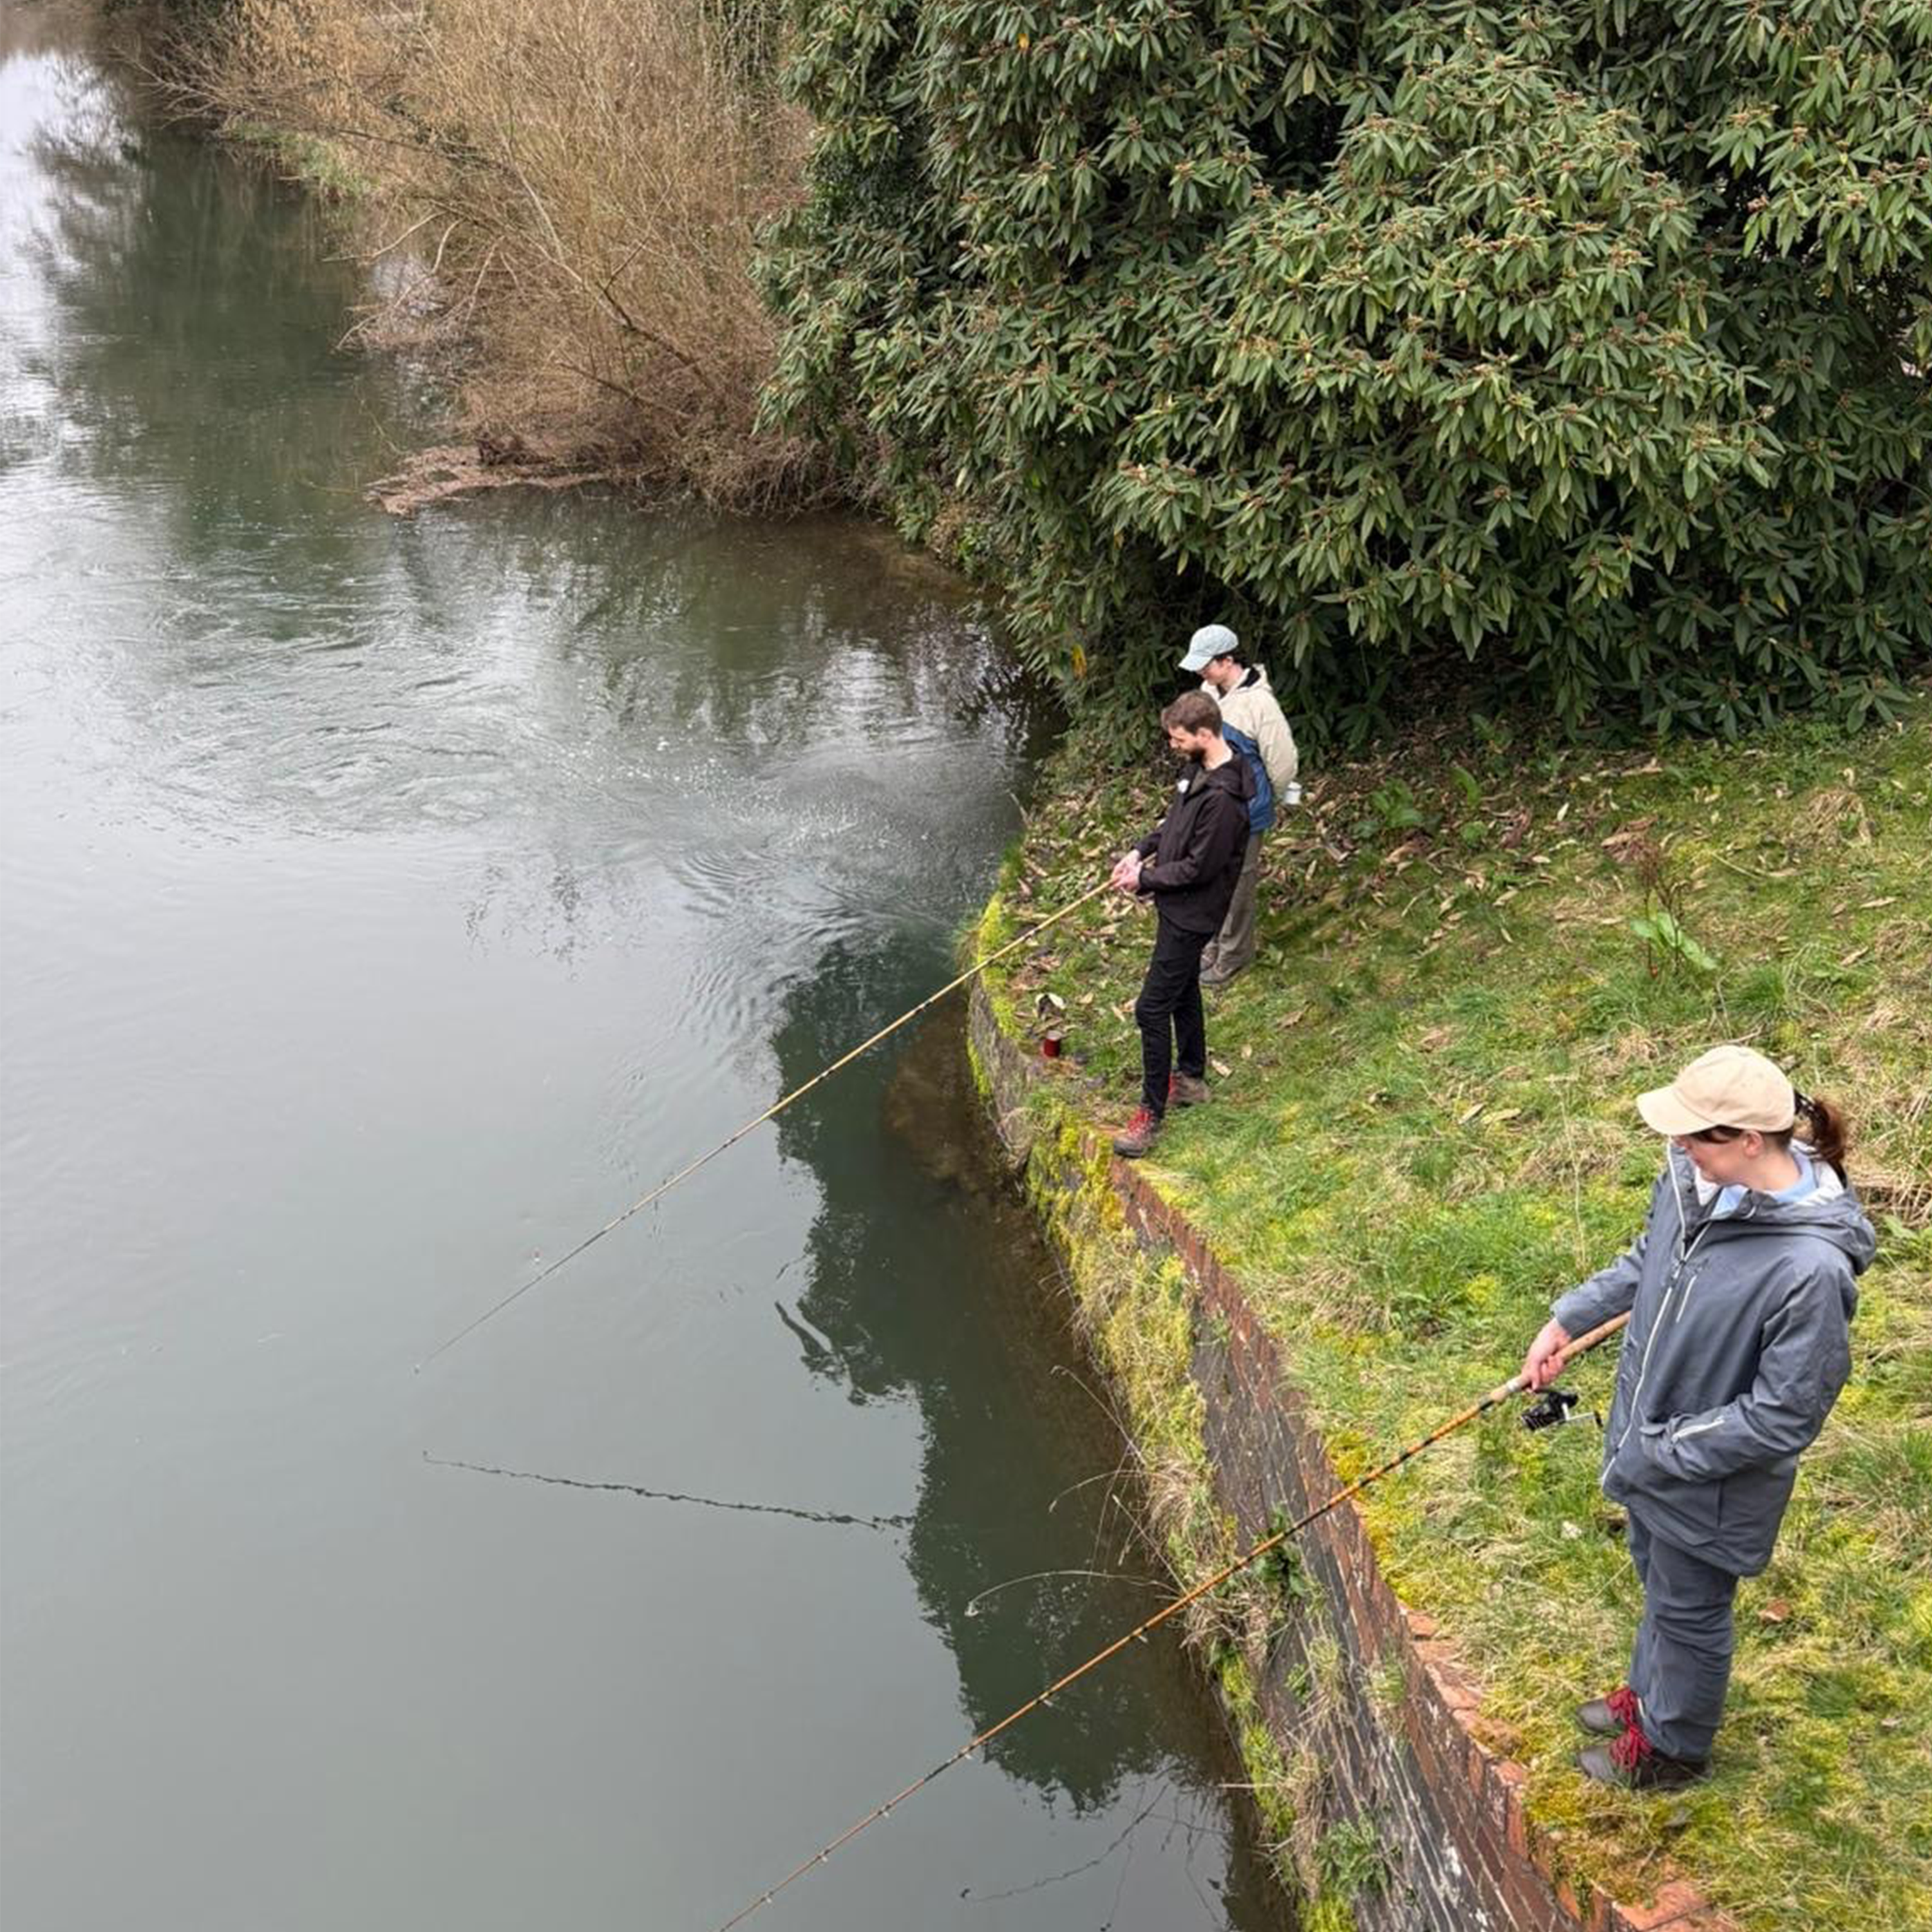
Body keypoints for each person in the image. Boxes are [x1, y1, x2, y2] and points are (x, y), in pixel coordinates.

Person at [1519, 1045, 1874, 1788]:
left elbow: (1783, 1417)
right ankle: (1650, 1697)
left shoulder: (1809, 1273)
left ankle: (1672, 1749)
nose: (1676, 1146)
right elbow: (1649, 1260)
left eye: (1693, 1134)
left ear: (1748, 1139)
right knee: (1659, 1581)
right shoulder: (1698, 1187)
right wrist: (1567, 1321)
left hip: (1708, 1481)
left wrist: (1664, 1447)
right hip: (1649, 1451)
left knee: (1691, 1609)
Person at [1106, 691, 1254, 1158]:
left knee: (1150, 1010)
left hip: (1193, 915)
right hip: (1175, 908)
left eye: (1179, 739)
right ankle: (1190, 1078)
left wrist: (1143, 880)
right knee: (1183, 988)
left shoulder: (1226, 802)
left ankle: (1150, 1116)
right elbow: (1173, 827)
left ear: (1205, 735)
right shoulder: (1196, 770)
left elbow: (1197, 869)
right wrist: (1139, 851)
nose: (1173, 746)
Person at [1176, 623, 1299, 985]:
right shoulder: (1208, 692)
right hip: (1213, 807)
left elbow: (1283, 762)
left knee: (1238, 884)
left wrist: (1267, 799)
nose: (1201, 671)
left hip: (1246, 810)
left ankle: (1234, 956)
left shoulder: (1260, 704)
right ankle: (1213, 944)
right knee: (1211, 876)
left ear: (1228, 660)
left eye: (1206, 664)